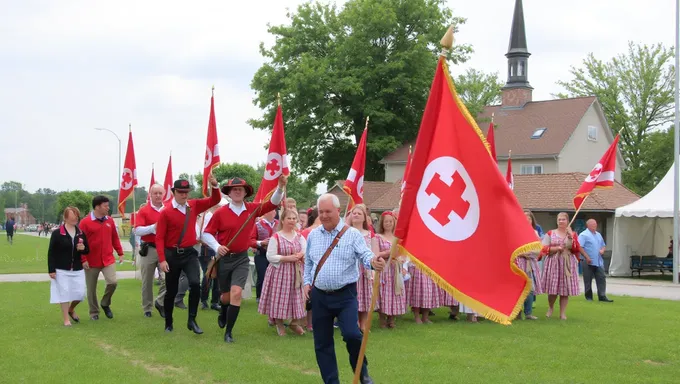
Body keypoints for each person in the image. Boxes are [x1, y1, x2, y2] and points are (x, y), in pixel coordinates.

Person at [303, 194, 385, 384]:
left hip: (345, 295)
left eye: (327, 212)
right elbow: (308, 262)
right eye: (321, 212)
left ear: (338, 211)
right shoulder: (313, 235)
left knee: (352, 335)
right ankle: (331, 382)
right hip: (320, 296)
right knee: (322, 343)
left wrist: (373, 262)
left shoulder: (352, 235)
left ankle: (362, 372)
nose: (323, 215)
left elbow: (365, 255)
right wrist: (307, 282)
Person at [202, 176, 287, 343]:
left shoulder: (252, 208)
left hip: (241, 258)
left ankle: (229, 332)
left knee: (237, 293)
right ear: (229, 193)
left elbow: (272, 204)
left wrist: (280, 187)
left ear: (245, 192)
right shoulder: (220, 213)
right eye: (234, 189)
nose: (237, 191)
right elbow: (206, 233)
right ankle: (223, 311)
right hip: (224, 259)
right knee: (225, 297)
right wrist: (217, 246)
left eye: (240, 189)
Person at [155, 176, 221, 333]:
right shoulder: (166, 212)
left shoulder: (193, 206)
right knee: (171, 291)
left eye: (186, 192)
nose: (184, 195)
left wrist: (215, 185)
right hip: (171, 255)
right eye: (181, 192)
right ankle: (169, 323)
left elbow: (214, 200)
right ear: (174, 193)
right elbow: (159, 237)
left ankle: (192, 320)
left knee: (195, 283)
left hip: (190, 253)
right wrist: (162, 259)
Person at [258, 208, 307, 336]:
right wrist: (287, 258)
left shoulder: (299, 236)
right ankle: (279, 323)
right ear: (283, 220)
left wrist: (300, 254)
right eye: (289, 218)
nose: (292, 221)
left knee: (298, 298)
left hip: (295, 271)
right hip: (280, 271)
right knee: (279, 297)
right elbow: (270, 256)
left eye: (294, 218)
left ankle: (294, 322)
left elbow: (306, 249)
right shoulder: (276, 237)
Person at [79, 195, 124, 321]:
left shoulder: (109, 220)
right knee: (91, 289)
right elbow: (80, 243)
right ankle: (94, 312)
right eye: (106, 206)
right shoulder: (85, 222)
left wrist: (120, 252)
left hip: (107, 259)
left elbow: (115, 237)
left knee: (112, 282)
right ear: (98, 207)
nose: (108, 208)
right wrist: (83, 259)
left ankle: (105, 303)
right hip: (91, 261)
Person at [540, 212, 591, 320]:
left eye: (563, 219)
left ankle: (562, 313)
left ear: (567, 221)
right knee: (552, 289)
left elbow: (576, 249)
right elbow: (543, 248)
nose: (561, 221)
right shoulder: (550, 233)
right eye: (559, 219)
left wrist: (570, 237)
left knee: (565, 290)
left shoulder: (572, 234)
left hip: (567, 262)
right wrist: (555, 248)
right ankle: (551, 307)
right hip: (554, 262)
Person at [48, 207, 89, 326]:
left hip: (77, 269)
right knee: (64, 293)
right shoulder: (57, 233)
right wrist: (51, 269)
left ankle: (71, 309)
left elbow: (87, 250)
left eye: (76, 216)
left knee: (81, 294)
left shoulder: (81, 233)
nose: (75, 218)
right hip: (61, 269)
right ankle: (66, 319)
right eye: (72, 216)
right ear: (65, 218)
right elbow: (51, 252)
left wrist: (83, 249)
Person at [346, 204, 379, 332]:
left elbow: (374, 253)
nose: (356, 215)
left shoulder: (369, 234)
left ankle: (364, 324)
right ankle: (353, 323)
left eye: (359, 213)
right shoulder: (346, 232)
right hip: (351, 268)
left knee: (365, 296)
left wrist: (373, 272)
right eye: (354, 213)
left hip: (365, 270)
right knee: (353, 296)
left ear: (364, 218)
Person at [375, 211, 406, 329]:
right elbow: (376, 253)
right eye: (386, 221)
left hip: (395, 268)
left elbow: (401, 253)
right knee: (383, 293)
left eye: (390, 221)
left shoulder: (397, 238)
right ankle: (382, 320)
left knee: (395, 293)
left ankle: (392, 319)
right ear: (382, 223)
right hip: (384, 269)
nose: (388, 223)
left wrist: (400, 260)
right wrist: (388, 252)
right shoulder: (378, 237)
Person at [196, 201, 226, 311]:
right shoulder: (208, 217)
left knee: (217, 275)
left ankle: (214, 301)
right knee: (208, 274)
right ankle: (204, 300)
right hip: (207, 249)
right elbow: (203, 234)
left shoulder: (217, 216)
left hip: (217, 248)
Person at [515, 209, 544, 320]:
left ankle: (528, 313)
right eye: (525, 216)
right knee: (519, 287)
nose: (527, 219)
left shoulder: (535, 233)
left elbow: (538, 250)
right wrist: (523, 253)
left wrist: (527, 253)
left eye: (529, 217)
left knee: (530, 288)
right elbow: (515, 249)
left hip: (530, 263)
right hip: (519, 263)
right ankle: (517, 312)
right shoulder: (516, 231)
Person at [578, 219, 613, 303]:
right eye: (593, 224)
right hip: (588, 260)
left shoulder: (598, 235)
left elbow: (603, 245)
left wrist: (602, 250)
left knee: (601, 277)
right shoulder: (583, 235)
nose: (595, 226)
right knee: (588, 279)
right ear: (588, 225)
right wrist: (587, 257)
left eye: (595, 224)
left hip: (598, 261)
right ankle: (589, 296)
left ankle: (602, 295)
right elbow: (580, 247)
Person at [253, 209, 278, 303]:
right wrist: (261, 242)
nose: (275, 213)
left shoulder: (279, 224)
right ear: (266, 212)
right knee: (262, 275)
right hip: (261, 254)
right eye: (272, 211)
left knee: (274, 276)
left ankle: (272, 296)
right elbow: (250, 240)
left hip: (275, 254)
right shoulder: (258, 225)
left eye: (275, 211)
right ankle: (259, 296)